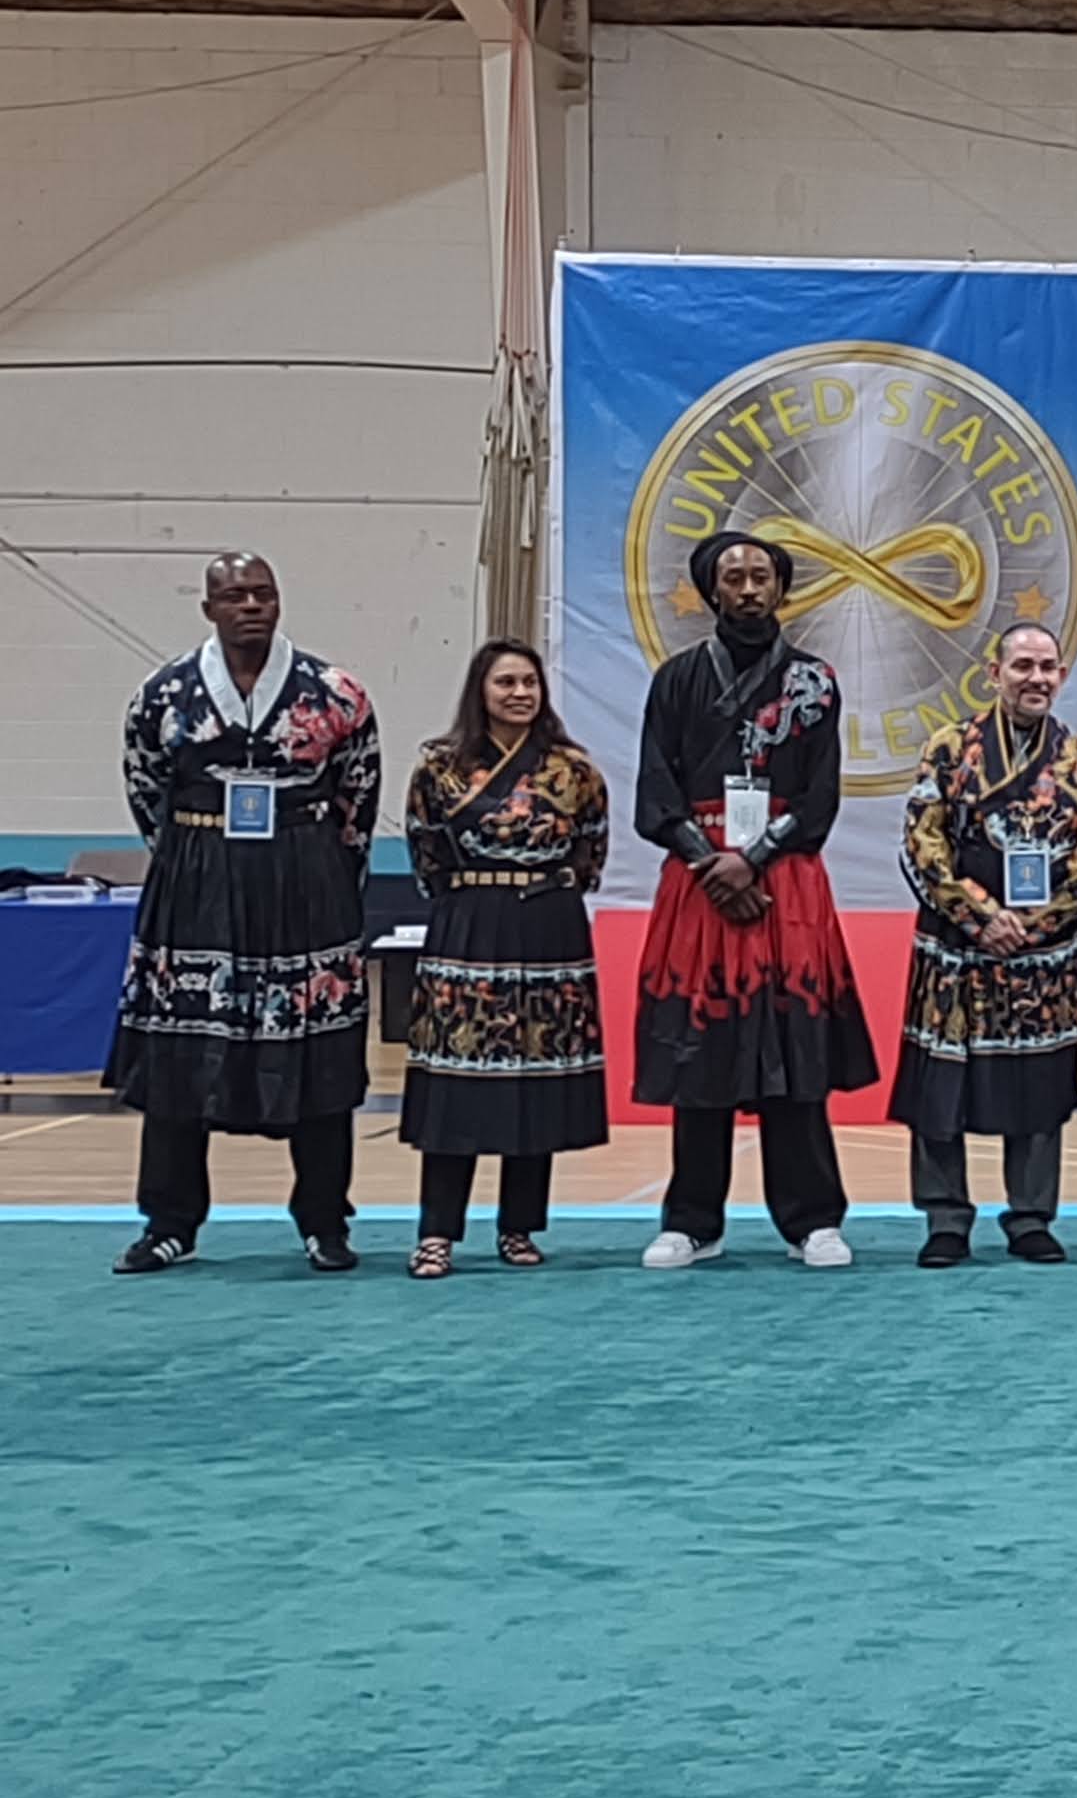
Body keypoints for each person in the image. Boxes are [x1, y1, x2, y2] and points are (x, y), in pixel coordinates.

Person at [109, 552, 381, 1275]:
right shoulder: (164, 694)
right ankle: (169, 1223)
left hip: (306, 880)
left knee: (318, 1053)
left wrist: (329, 877)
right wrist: (192, 860)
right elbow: (146, 789)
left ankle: (325, 1222)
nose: (251, 605)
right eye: (234, 596)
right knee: (180, 1053)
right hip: (196, 883)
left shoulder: (335, 692)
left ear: (280, 601)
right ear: (209, 609)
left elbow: (358, 796)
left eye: (263, 593)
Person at [631, 529, 876, 1270]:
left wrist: (755, 858)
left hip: (785, 879)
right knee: (699, 1050)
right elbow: (656, 789)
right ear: (712, 590)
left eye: (760, 576)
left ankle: (813, 1220)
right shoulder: (676, 679)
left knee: (793, 1048)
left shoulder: (814, 682)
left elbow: (821, 795)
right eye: (733, 577)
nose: (747, 588)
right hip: (700, 879)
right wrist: (711, 863)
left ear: (780, 588)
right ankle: (692, 1221)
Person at [894, 624, 1077, 1267]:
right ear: (994, 674)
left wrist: (1034, 925)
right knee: (942, 1085)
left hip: (1042, 954)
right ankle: (945, 1218)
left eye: (1047, 667)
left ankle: (1031, 1216)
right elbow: (921, 844)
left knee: (1039, 1085)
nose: (1035, 679)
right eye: (1022, 666)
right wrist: (981, 917)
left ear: (1062, 676)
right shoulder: (948, 749)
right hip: (957, 947)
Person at [396, 637, 609, 1279]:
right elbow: (426, 854)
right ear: (481, 692)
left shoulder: (574, 770)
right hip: (467, 926)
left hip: (549, 927)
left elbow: (590, 852)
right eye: (506, 683)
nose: (520, 694)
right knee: (455, 1080)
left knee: (535, 1080)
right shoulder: (439, 769)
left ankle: (519, 1226)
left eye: (529, 682)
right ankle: (437, 1231)